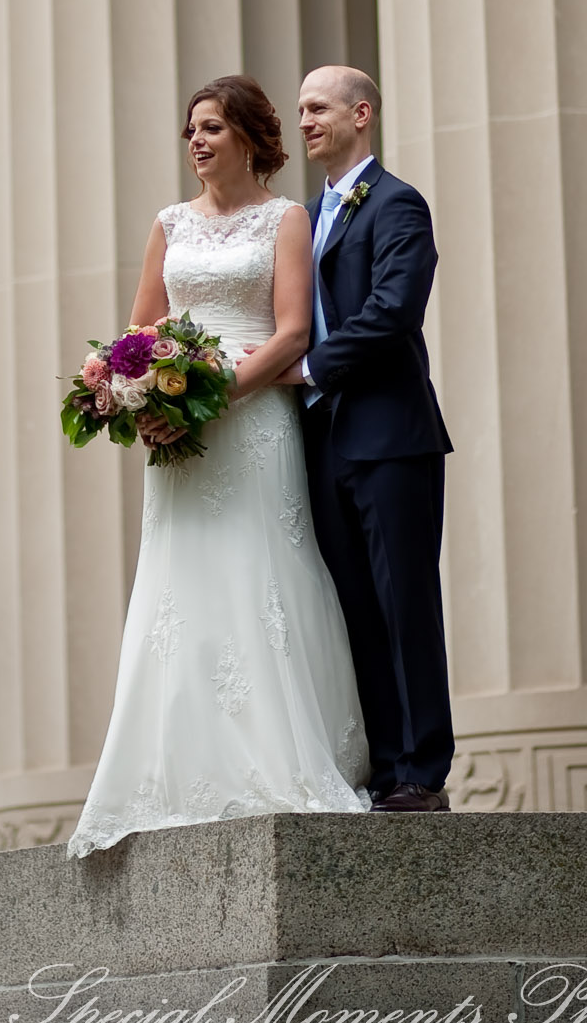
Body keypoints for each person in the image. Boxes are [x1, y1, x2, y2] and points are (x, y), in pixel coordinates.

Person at [67, 75, 370, 858]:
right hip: (178, 430)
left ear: (246, 136)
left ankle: (280, 756)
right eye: (190, 129)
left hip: (253, 419)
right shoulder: (168, 224)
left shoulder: (286, 218)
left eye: (210, 127)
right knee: (181, 584)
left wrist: (218, 395)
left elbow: (295, 332)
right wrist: (137, 392)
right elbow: (139, 329)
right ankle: (178, 763)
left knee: (261, 573)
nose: (196, 141)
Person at [275, 66, 455, 815]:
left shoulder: (398, 204)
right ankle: (385, 767)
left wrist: (310, 365)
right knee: (352, 603)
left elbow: (392, 311)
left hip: (390, 437)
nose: (305, 120)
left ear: (362, 112)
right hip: (323, 440)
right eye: (301, 110)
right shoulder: (305, 214)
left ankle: (423, 768)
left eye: (318, 107)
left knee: (402, 597)